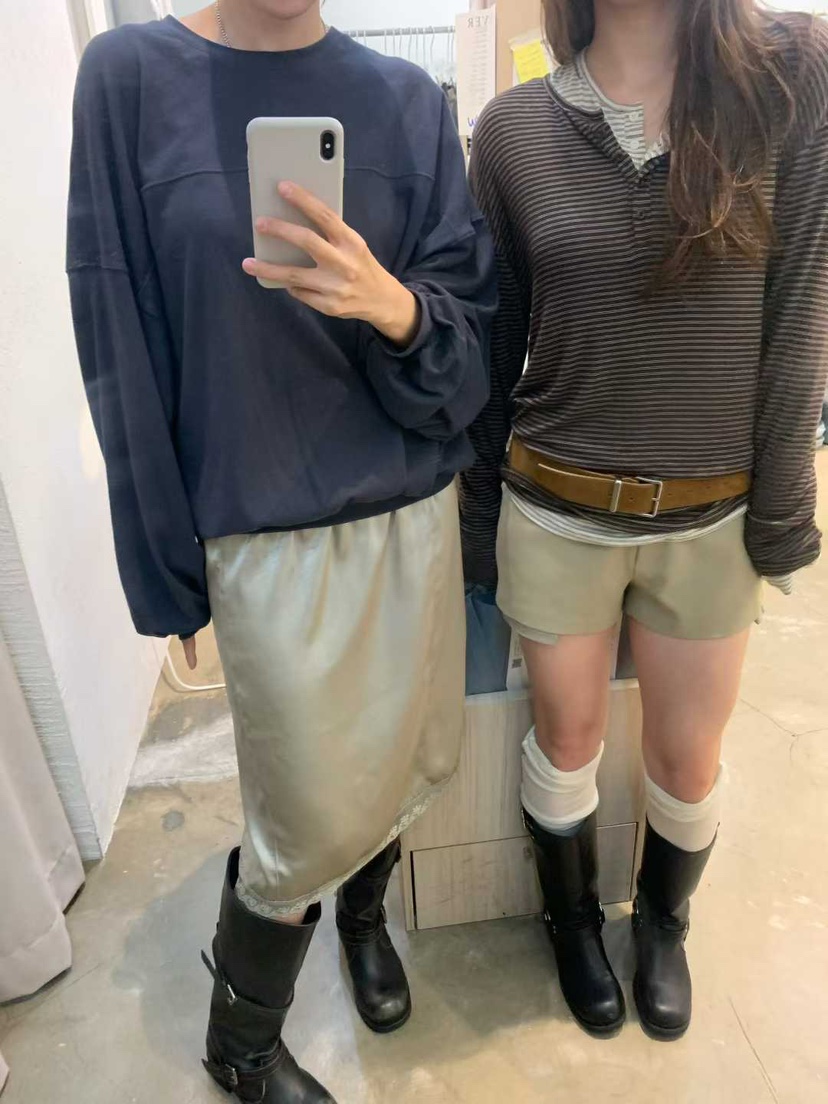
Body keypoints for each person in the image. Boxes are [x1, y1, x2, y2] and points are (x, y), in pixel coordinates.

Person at [67, 2, 496, 1099]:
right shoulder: (130, 78)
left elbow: (466, 347)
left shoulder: (406, 102)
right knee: (297, 820)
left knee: (403, 761)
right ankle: (242, 1046)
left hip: (408, 516)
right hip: (261, 534)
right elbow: (117, 334)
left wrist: (395, 308)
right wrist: (163, 562)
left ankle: (364, 921)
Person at [462, 0, 828, 1041]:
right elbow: (492, 344)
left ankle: (663, 925)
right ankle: (572, 921)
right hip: (555, 508)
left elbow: (800, 307)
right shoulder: (514, 132)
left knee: (688, 760)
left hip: (711, 519)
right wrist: (479, 524)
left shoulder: (787, 82)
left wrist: (783, 512)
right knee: (566, 739)